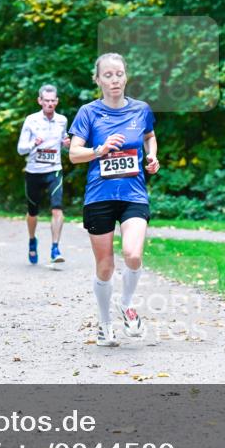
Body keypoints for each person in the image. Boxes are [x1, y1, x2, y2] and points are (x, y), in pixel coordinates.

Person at [69, 53, 159, 347]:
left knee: (133, 255)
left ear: (126, 76)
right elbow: (74, 154)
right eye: (107, 75)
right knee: (105, 266)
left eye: (119, 74)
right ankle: (105, 324)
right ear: (98, 80)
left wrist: (152, 156)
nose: (115, 80)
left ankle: (127, 303)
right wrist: (100, 149)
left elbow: (149, 136)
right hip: (99, 197)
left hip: (134, 194)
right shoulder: (88, 113)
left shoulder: (141, 109)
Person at [17, 84, 71, 265]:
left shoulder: (62, 120)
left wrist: (66, 144)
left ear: (57, 101)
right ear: (39, 101)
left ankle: (55, 248)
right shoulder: (31, 120)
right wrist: (34, 143)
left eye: (52, 101)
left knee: (57, 208)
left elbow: (63, 141)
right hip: (34, 171)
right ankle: (32, 240)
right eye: (46, 100)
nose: (49, 104)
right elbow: (20, 149)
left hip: (54, 170)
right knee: (33, 212)